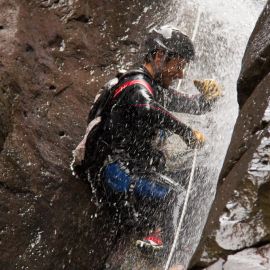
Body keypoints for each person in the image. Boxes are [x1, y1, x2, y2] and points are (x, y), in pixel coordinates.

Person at [72, 25, 222, 253]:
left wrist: (209, 98)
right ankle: (171, 254)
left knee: (198, 179)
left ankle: (154, 233)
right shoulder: (135, 84)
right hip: (114, 172)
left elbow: (192, 104)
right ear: (160, 56)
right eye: (179, 66)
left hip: (131, 170)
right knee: (175, 197)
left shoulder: (153, 88)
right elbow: (147, 108)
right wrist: (186, 133)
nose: (181, 74)